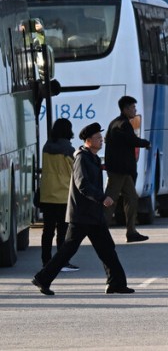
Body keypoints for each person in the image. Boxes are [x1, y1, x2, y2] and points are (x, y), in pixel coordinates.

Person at [32, 123, 133, 296]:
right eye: (97, 138)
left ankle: (116, 283)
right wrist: (102, 198)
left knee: (107, 248)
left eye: (101, 138)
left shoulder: (92, 157)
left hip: (93, 214)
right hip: (82, 215)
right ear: (88, 141)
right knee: (67, 250)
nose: (101, 141)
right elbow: (82, 184)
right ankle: (42, 279)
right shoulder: (81, 158)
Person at [104, 95, 150, 243]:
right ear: (125, 109)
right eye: (133, 107)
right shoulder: (122, 124)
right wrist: (145, 143)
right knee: (110, 200)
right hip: (119, 170)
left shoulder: (116, 123)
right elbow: (131, 140)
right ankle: (100, 230)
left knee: (132, 198)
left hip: (122, 170)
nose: (135, 110)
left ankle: (131, 231)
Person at [39, 118, 76, 271]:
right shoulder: (69, 149)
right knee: (63, 231)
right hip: (63, 195)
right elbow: (75, 170)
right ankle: (62, 262)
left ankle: (46, 260)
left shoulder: (47, 147)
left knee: (47, 231)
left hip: (47, 194)